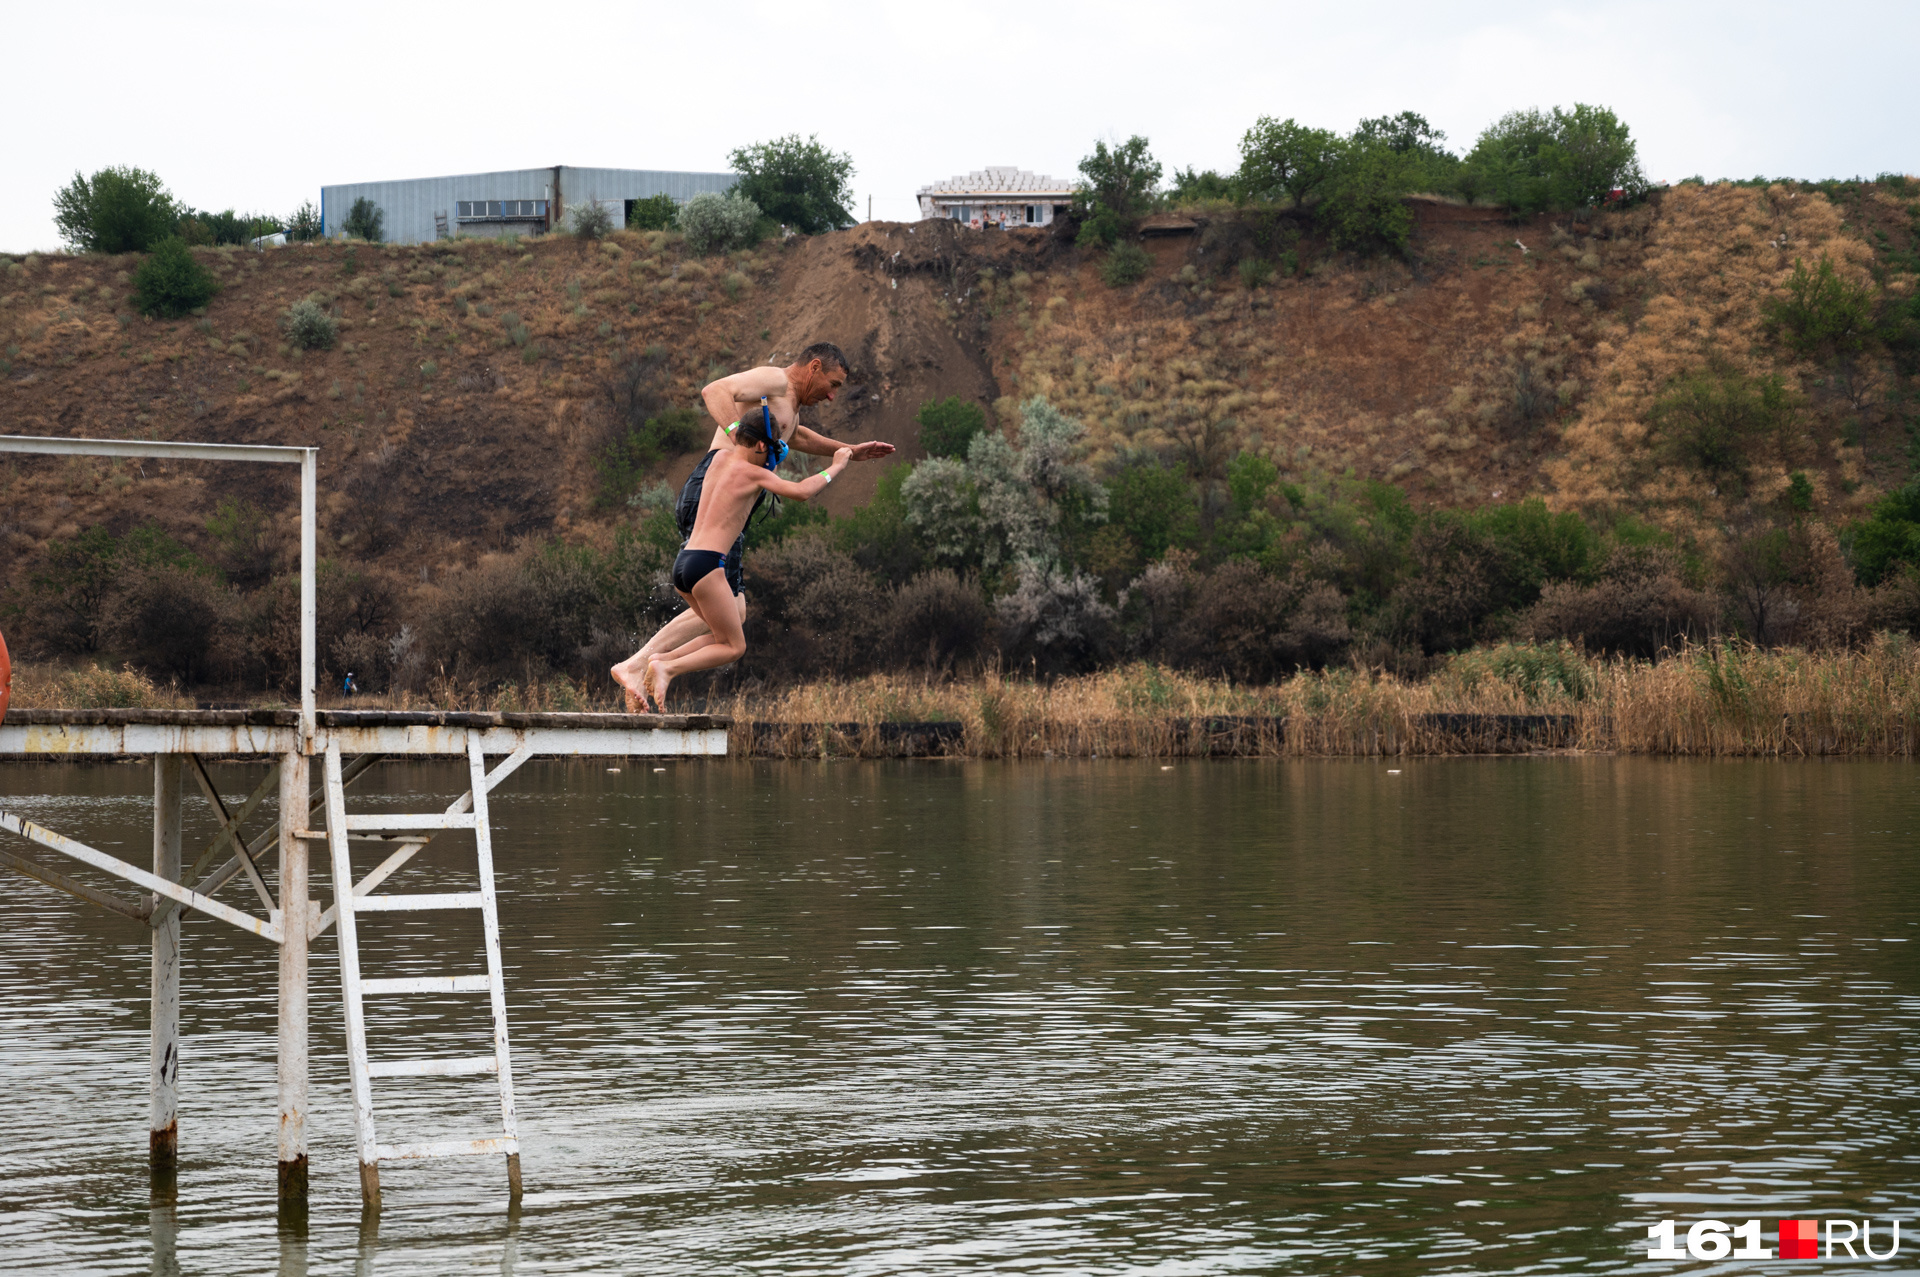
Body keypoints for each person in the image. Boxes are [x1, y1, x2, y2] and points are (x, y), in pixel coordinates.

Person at [610, 343, 894, 711]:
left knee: (734, 613)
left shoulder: (787, 408)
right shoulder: (775, 381)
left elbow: (798, 437)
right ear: (814, 367)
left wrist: (851, 451)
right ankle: (643, 664)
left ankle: (648, 663)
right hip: (716, 491)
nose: (832, 395)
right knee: (731, 625)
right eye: (833, 383)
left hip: (723, 497)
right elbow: (714, 390)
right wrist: (734, 435)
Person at [642, 402, 856, 709]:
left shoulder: (717, 460)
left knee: (720, 636)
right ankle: (668, 668)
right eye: (774, 448)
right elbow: (801, 491)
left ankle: (661, 659)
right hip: (707, 566)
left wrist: (767, 449)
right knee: (734, 647)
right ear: (759, 445)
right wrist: (836, 465)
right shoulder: (753, 474)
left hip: (683, 566)